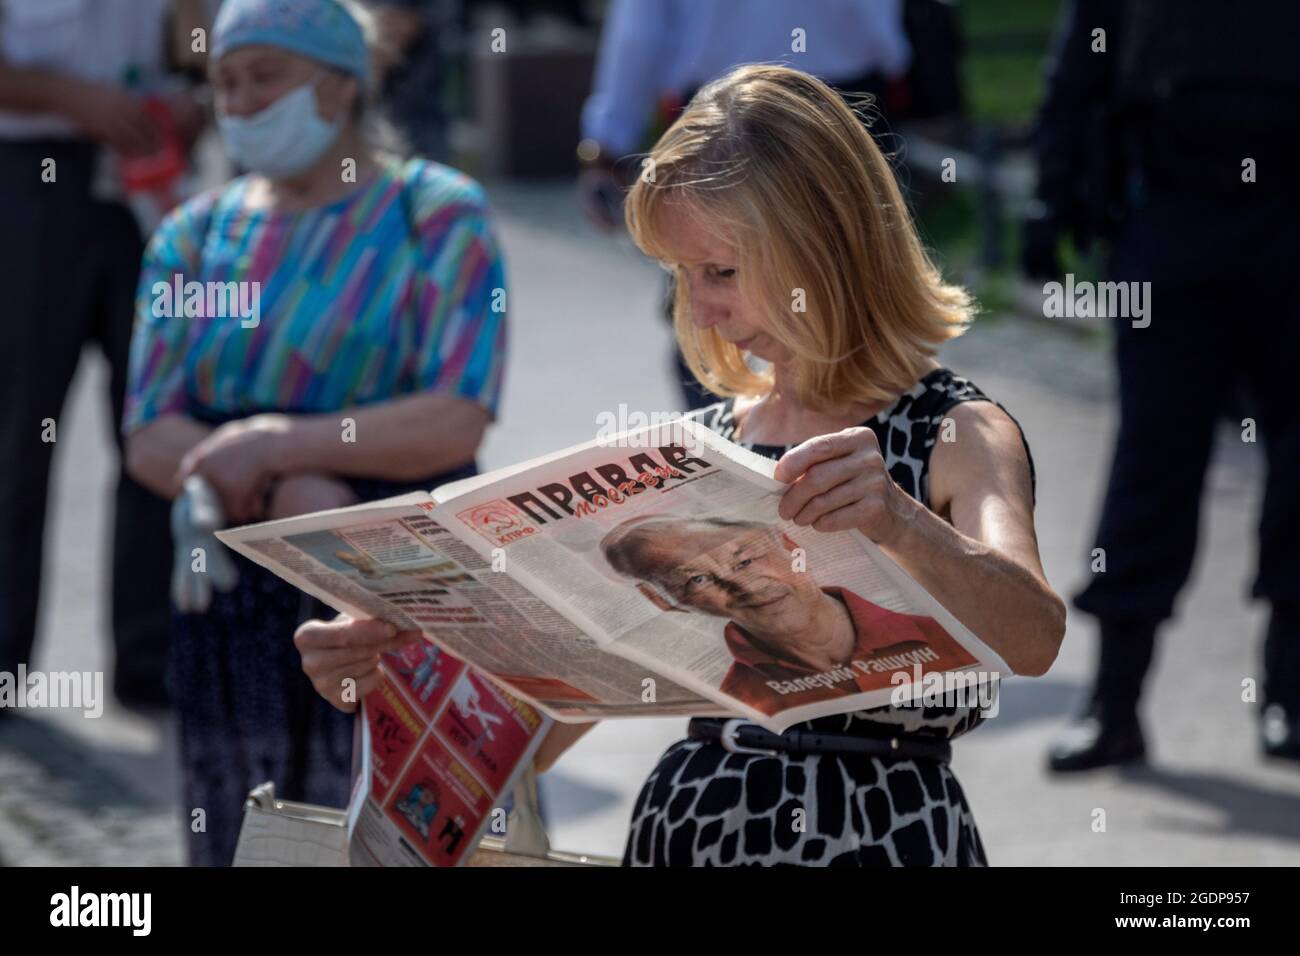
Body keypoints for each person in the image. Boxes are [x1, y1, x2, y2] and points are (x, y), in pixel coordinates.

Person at [298, 64, 1065, 866]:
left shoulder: (956, 428)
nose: (698, 311)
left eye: (721, 271)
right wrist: (394, 679)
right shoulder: (696, 449)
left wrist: (900, 521)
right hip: (691, 832)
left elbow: (1035, 637)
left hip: (884, 836)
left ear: (827, 244)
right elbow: (548, 733)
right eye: (681, 276)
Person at [122, 0, 507, 865]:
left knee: (406, 827)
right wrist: (276, 492)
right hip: (236, 570)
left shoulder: (437, 215)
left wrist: (285, 452)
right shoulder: (194, 236)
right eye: (223, 81)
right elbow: (149, 426)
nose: (241, 100)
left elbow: (458, 409)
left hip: (400, 585)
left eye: (266, 75)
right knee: (245, 832)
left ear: (342, 86)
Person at [1023, 0, 1300, 771]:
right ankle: (1114, 707)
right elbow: (1083, 59)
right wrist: (1052, 193)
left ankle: (1291, 697)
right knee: (1152, 455)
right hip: (1173, 211)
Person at [0, 0, 208, 710]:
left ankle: (147, 658)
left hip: (147, 183)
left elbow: (203, 51)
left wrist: (198, 97)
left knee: (153, 422)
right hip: (31, 180)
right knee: (20, 428)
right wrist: (69, 95)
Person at [576, 0, 914, 410]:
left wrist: (609, 140)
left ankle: (733, 454)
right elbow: (881, 23)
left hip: (732, 123)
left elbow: (639, 34)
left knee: (716, 327)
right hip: (834, 106)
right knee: (849, 298)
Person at [601, 515, 976, 713]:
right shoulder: (735, 697)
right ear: (666, 602)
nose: (746, 587)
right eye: (698, 580)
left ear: (789, 544)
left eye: (746, 558)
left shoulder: (941, 638)